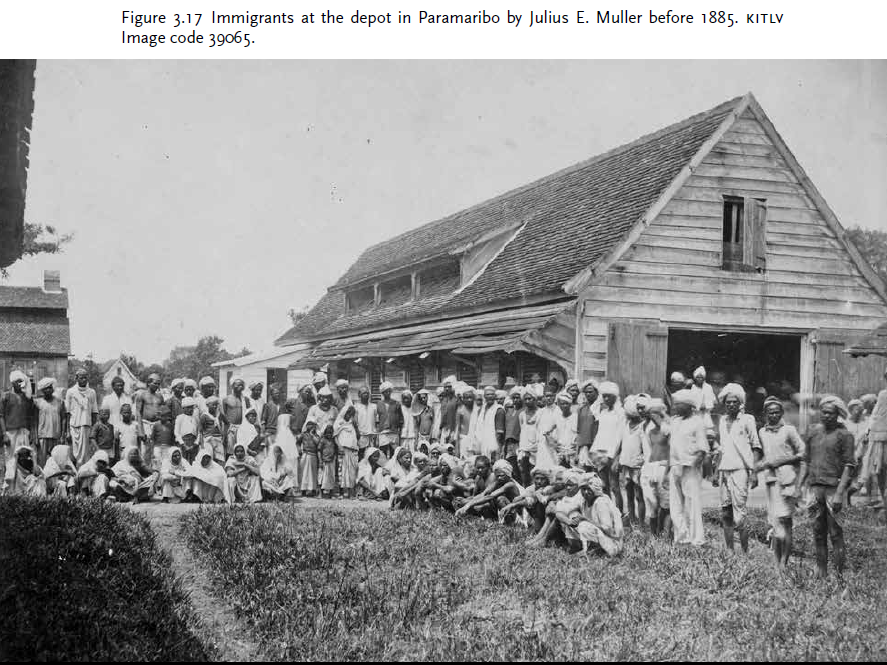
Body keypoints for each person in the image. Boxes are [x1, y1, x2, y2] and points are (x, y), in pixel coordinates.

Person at [800, 395, 855, 579]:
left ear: (838, 414)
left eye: (831, 413)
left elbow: (849, 465)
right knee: (817, 531)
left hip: (833, 489)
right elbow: (806, 461)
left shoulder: (844, 435)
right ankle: (821, 572)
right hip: (815, 487)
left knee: (835, 532)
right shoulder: (813, 431)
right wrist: (799, 486)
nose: (826, 416)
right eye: (824, 412)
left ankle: (839, 576)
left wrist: (840, 494)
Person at [757, 396, 806, 571]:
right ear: (765, 414)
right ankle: (777, 562)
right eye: (770, 412)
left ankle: (785, 560)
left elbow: (802, 453)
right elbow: (767, 456)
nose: (774, 415)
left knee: (786, 521)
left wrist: (782, 461)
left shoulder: (789, 430)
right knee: (775, 522)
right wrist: (758, 467)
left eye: (777, 412)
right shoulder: (763, 432)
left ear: (782, 413)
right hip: (771, 481)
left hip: (787, 480)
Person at [715, 383, 763, 553]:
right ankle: (729, 551)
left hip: (741, 470)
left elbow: (756, 447)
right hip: (724, 471)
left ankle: (744, 552)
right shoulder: (722, 421)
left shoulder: (747, 420)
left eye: (734, 402)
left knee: (740, 516)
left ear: (740, 403)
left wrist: (754, 472)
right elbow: (721, 448)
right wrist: (716, 472)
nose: (731, 405)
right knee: (726, 513)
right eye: (728, 402)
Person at [669, 389, 708, 546]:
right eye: (676, 404)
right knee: (676, 504)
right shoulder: (675, 421)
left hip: (690, 467)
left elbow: (702, 450)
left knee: (692, 504)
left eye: (679, 404)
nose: (676, 407)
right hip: (675, 466)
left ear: (688, 405)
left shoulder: (697, 422)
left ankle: (696, 539)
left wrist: (692, 466)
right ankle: (681, 537)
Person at [590, 381, 624, 511]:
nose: (605, 399)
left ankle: (619, 512)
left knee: (615, 484)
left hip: (612, 452)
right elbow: (593, 409)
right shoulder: (603, 412)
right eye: (603, 396)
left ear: (615, 396)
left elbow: (619, 436)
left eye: (608, 396)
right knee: (603, 484)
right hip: (600, 450)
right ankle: (608, 510)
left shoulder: (620, 413)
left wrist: (612, 455)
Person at [640, 398, 671, 537]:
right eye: (650, 413)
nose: (651, 416)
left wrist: (668, 468)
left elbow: (673, 449)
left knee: (666, 503)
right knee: (651, 502)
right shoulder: (649, 430)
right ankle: (654, 535)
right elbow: (648, 451)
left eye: (654, 413)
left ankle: (664, 532)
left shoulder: (668, 429)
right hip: (651, 467)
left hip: (664, 466)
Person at [573, 473, 624, 557]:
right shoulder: (584, 502)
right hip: (602, 538)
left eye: (588, 489)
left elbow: (608, 529)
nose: (586, 492)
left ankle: (600, 552)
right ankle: (592, 550)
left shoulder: (601, 502)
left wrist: (585, 520)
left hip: (613, 542)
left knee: (583, 525)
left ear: (595, 488)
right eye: (583, 489)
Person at [454, 458, 523, 520]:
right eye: (497, 476)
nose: (499, 478)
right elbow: (484, 494)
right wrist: (467, 502)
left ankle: (510, 524)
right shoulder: (497, 482)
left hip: (520, 515)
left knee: (500, 499)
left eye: (502, 475)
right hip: (510, 511)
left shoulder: (510, 484)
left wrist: (467, 505)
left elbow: (490, 496)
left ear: (508, 474)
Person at [857, 370, 887, 508]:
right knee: (879, 467)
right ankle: (882, 499)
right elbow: (875, 415)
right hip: (881, 437)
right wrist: (868, 432)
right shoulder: (883, 395)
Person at [620, 395, 649, 524]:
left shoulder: (643, 426)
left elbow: (645, 448)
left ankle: (641, 522)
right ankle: (632, 520)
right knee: (629, 494)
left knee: (639, 496)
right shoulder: (626, 425)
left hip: (637, 466)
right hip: (626, 464)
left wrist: (642, 463)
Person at [499, 466, 553, 532]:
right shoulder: (530, 488)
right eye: (537, 478)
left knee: (538, 503)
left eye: (542, 479)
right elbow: (528, 500)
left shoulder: (549, 488)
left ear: (547, 480)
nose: (539, 481)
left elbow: (532, 500)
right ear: (533, 479)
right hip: (535, 517)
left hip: (547, 519)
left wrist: (513, 504)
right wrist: (517, 500)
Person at [64, 369, 99, 466]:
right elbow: (67, 413)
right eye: (81, 378)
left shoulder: (92, 392)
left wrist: (93, 430)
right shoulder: (70, 392)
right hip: (73, 426)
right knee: (73, 453)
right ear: (76, 378)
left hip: (86, 426)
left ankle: (84, 472)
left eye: (85, 378)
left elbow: (94, 412)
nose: (84, 380)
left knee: (85, 454)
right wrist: (67, 431)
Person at [1, 370, 33, 471]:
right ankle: (9, 482)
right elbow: (1, 416)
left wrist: (30, 432)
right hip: (10, 432)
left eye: (21, 381)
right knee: (10, 458)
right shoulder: (6, 396)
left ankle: (22, 482)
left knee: (24, 457)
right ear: (12, 383)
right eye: (17, 381)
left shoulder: (27, 398)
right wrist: (4, 434)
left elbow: (30, 416)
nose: (20, 384)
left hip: (23, 431)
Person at [33, 377, 66, 467]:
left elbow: (63, 419)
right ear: (42, 390)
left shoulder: (60, 402)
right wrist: (35, 436)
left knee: (56, 461)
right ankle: (42, 479)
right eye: (46, 388)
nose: (48, 390)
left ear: (53, 389)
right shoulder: (38, 402)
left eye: (50, 387)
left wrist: (63, 435)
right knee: (42, 461)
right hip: (42, 435)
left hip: (56, 435)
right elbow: (35, 420)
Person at [517, 387, 541, 487]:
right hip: (524, 447)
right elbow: (522, 430)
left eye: (529, 399)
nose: (527, 401)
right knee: (524, 472)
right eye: (525, 399)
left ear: (535, 399)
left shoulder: (540, 412)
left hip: (536, 447)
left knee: (534, 471)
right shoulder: (522, 414)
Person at [220, 377, 250, 456]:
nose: (240, 386)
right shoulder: (226, 399)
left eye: (241, 385)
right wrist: (226, 431)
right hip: (231, 428)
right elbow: (223, 415)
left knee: (241, 449)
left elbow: (249, 413)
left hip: (242, 427)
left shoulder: (245, 400)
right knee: (230, 450)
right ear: (232, 386)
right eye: (238, 385)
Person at [474, 387, 505, 461]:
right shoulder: (482, 409)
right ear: (484, 396)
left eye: (492, 394)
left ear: (495, 396)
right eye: (488, 394)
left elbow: (499, 433)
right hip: (482, 444)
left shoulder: (499, 410)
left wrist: (498, 448)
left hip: (494, 446)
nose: (490, 396)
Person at [335, 405, 360, 499]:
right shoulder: (339, 423)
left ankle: (351, 493)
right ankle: (341, 492)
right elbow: (335, 436)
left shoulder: (352, 424)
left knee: (352, 471)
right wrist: (339, 447)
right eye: (348, 413)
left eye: (352, 414)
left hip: (352, 450)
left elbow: (358, 436)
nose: (349, 416)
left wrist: (356, 426)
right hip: (343, 449)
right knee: (342, 470)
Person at [134, 373, 164, 447]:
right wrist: (141, 431)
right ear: (148, 383)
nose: (157, 385)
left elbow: (163, 411)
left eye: (158, 384)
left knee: (157, 449)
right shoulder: (142, 395)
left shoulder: (160, 396)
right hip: (146, 425)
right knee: (146, 449)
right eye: (155, 383)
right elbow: (138, 413)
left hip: (157, 424)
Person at [576, 380, 600, 471]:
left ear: (597, 392)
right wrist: (577, 450)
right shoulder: (582, 409)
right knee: (582, 472)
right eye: (586, 392)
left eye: (590, 392)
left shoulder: (601, 408)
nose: (588, 394)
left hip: (597, 446)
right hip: (584, 446)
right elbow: (579, 430)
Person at [375, 382, 402, 458]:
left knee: (394, 453)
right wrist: (377, 433)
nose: (387, 393)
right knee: (382, 453)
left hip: (393, 432)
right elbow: (377, 420)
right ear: (382, 393)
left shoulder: (396, 403)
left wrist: (398, 430)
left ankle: (392, 468)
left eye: (389, 391)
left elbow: (400, 418)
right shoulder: (379, 404)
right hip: (383, 432)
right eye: (385, 391)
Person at [199, 396, 225, 464]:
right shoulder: (204, 416)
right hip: (208, 440)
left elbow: (227, 423)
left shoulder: (219, 415)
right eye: (213, 405)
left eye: (216, 404)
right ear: (207, 405)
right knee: (209, 458)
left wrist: (224, 434)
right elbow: (201, 431)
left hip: (218, 439)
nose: (215, 406)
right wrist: (202, 444)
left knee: (220, 459)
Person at [354, 387, 377, 459]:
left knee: (372, 456)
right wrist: (357, 434)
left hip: (372, 435)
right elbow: (354, 422)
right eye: (364, 393)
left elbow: (376, 421)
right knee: (361, 455)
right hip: (361, 435)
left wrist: (375, 433)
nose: (366, 395)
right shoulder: (356, 407)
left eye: (367, 393)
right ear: (359, 395)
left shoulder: (374, 406)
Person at [175, 397, 200, 463]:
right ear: (183, 408)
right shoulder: (180, 418)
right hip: (183, 442)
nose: (190, 409)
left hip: (193, 442)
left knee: (194, 461)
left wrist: (196, 443)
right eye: (188, 408)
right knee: (183, 461)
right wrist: (183, 444)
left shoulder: (196, 418)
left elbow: (199, 432)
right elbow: (176, 432)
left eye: (192, 407)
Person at [149, 408, 176, 472]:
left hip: (167, 446)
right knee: (157, 461)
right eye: (161, 416)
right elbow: (153, 438)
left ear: (167, 417)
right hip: (158, 446)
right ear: (159, 416)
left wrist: (172, 447)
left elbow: (172, 437)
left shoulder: (170, 425)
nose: (163, 418)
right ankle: (157, 475)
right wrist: (152, 450)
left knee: (166, 462)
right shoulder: (156, 425)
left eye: (165, 416)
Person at [455, 386, 477, 457]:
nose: (469, 400)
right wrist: (457, 448)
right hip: (464, 439)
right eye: (467, 398)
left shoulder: (477, 410)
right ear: (463, 399)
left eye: (471, 397)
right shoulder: (460, 411)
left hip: (475, 440)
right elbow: (457, 430)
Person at [414, 389, 436, 454]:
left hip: (428, 435)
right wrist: (416, 439)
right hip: (420, 435)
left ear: (427, 398)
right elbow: (417, 425)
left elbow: (433, 423)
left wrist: (431, 435)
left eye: (424, 398)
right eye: (421, 398)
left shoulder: (431, 409)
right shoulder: (418, 410)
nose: (423, 399)